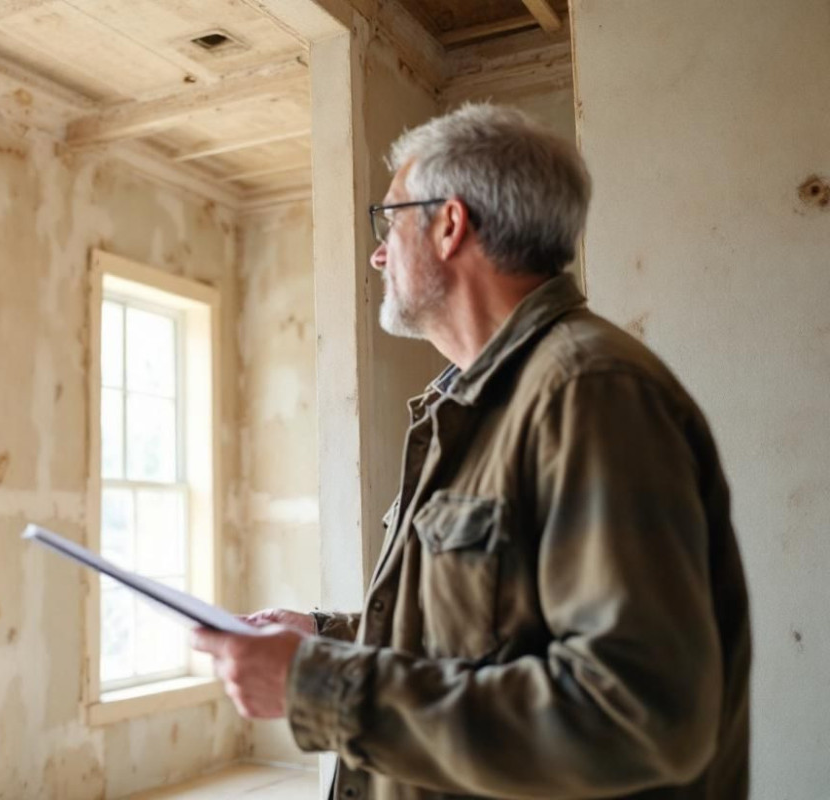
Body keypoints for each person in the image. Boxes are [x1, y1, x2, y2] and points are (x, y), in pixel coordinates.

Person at [192, 104, 751, 799]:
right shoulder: (472, 401)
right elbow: (480, 635)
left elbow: (640, 714)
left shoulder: (589, 392)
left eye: (390, 221)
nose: (378, 253)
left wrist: (318, 686)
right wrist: (323, 637)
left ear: (449, 224)